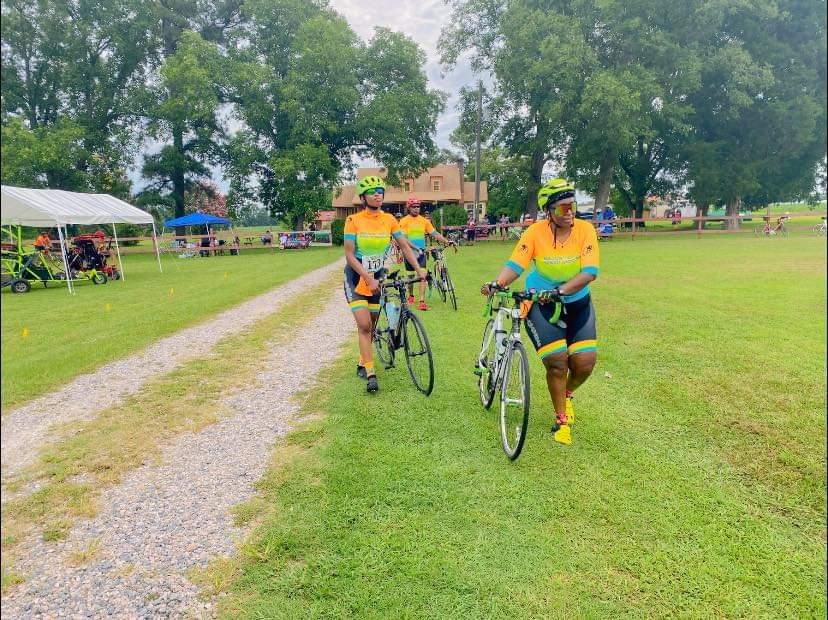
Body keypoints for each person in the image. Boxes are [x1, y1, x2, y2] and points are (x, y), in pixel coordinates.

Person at [481, 178, 600, 446]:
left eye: (572, 206)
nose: (569, 212)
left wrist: (560, 291)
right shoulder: (535, 233)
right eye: (562, 208)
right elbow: (516, 264)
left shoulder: (585, 230)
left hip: (577, 303)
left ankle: (567, 393)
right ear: (548, 211)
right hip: (540, 303)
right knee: (557, 363)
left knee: (584, 364)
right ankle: (561, 419)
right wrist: (497, 284)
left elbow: (589, 272)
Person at [344, 176, 426, 393]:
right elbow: (349, 255)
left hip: (377, 276)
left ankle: (362, 360)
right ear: (363, 197)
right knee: (364, 325)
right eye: (372, 192)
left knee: (372, 323)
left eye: (380, 191)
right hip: (356, 277)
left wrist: (419, 269)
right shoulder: (353, 220)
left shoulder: (389, 219)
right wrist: (367, 277)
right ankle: (370, 373)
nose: (377, 195)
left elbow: (404, 246)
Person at [398, 196, 456, 311]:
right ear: (409, 208)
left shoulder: (424, 221)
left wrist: (446, 241)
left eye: (418, 206)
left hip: (421, 253)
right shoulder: (404, 221)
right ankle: (411, 295)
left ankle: (421, 301)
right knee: (410, 277)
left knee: (422, 276)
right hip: (409, 253)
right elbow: (404, 239)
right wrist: (415, 248)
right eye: (414, 207)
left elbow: (435, 234)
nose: (416, 209)